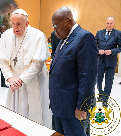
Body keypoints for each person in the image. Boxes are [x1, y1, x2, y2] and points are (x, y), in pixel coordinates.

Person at [0, 9, 52, 128]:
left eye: (19, 24)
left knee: (34, 114)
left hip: (33, 82)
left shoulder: (38, 35)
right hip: (14, 82)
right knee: (14, 113)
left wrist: (20, 80)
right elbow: (2, 60)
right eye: (13, 24)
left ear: (27, 23)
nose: (15, 28)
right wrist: (10, 78)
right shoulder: (6, 35)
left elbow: (37, 64)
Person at [49, 7, 98, 136]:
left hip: (73, 108)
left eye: (57, 26)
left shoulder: (84, 37)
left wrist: (82, 106)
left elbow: (87, 77)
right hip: (60, 105)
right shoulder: (64, 39)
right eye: (53, 26)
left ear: (69, 21)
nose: (55, 30)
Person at [95, 16, 121, 106]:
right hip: (100, 61)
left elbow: (120, 47)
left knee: (108, 82)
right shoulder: (99, 33)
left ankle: (105, 100)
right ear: (105, 23)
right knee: (98, 80)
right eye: (107, 23)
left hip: (111, 62)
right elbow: (93, 46)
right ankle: (101, 93)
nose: (109, 25)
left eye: (111, 23)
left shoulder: (118, 33)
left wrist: (112, 51)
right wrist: (98, 50)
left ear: (114, 24)